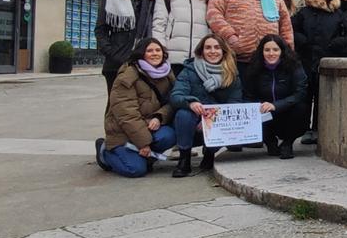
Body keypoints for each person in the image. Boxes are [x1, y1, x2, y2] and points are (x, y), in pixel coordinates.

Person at [292, 0, 347, 143]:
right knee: (304, 96)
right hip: (305, 60)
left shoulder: (337, 13)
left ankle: (317, 129)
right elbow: (292, 29)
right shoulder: (304, 12)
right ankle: (303, 129)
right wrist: (302, 40)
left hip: (326, 59)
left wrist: (334, 44)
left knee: (321, 97)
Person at [95, 38, 177, 178]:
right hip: (123, 132)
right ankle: (104, 152)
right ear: (141, 54)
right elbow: (127, 115)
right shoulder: (127, 77)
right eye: (149, 50)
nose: (155, 54)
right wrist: (143, 144)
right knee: (135, 169)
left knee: (169, 135)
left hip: (147, 126)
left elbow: (171, 102)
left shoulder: (166, 74)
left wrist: (159, 116)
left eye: (158, 50)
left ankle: (144, 156)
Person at [169, 34, 244, 178]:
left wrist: (212, 118)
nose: (213, 51)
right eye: (208, 47)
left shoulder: (232, 74)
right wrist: (191, 102)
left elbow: (235, 102)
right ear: (201, 51)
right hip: (192, 121)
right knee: (183, 114)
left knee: (228, 119)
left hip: (215, 121)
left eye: (217, 47)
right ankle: (184, 160)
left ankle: (209, 154)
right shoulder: (189, 70)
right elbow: (176, 95)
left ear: (223, 51)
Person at [206, 0, 294, 73]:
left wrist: (288, 52)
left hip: (268, 61)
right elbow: (213, 14)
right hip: (235, 61)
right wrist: (230, 36)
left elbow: (285, 25)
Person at [243, 35, 308, 159]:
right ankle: (270, 142)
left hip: (286, 111)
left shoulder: (294, 66)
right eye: (267, 50)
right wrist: (260, 105)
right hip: (265, 113)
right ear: (261, 52)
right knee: (250, 110)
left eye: (275, 50)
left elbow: (300, 93)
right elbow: (248, 95)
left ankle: (287, 143)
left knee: (301, 108)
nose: (271, 53)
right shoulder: (254, 69)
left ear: (282, 51)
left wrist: (275, 105)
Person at [96, 0, 156, 94]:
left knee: (139, 104)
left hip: (142, 61)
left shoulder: (150, 1)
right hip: (115, 62)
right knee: (115, 105)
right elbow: (100, 30)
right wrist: (111, 52)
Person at [152, 0, 210, 73]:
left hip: (199, 59)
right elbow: (158, 25)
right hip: (174, 60)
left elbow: (211, 26)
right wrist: (161, 49)